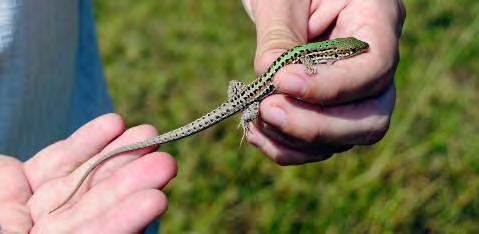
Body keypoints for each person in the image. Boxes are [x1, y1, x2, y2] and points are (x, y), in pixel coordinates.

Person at [0, 0, 405, 232]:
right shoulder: (320, 55)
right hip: (53, 151)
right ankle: (246, 118)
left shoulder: (320, 52)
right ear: (339, 52)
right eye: (351, 50)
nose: (352, 52)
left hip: (66, 132)